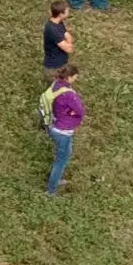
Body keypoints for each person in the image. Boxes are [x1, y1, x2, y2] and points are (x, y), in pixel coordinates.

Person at [40, 65, 83, 194]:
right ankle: (51, 190)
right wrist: (72, 114)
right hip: (63, 131)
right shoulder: (68, 94)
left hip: (54, 125)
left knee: (66, 153)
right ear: (69, 77)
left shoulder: (56, 84)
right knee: (61, 161)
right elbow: (80, 111)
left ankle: (56, 178)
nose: (75, 79)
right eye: (75, 77)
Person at [41, 2, 72, 75]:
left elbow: (68, 36)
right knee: (58, 86)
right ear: (61, 14)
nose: (69, 13)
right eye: (67, 11)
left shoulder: (58, 22)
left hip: (61, 63)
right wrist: (69, 43)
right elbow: (69, 49)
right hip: (54, 68)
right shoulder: (53, 30)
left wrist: (68, 41)